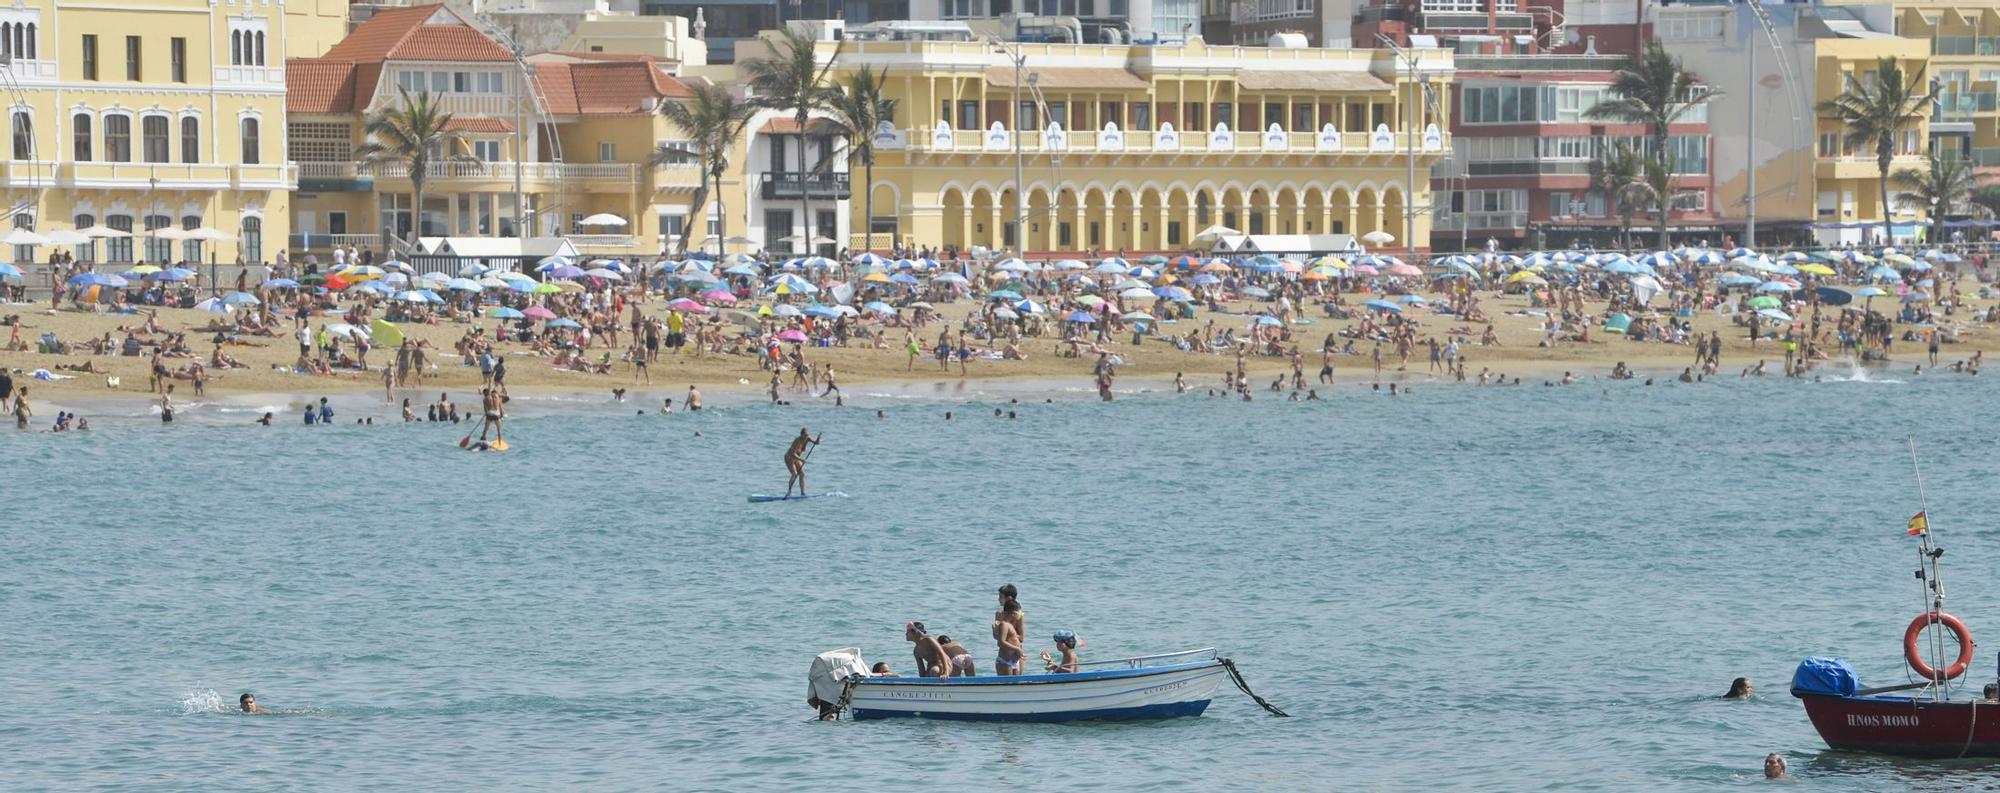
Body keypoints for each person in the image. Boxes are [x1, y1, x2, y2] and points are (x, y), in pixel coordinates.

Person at [992, 598, 1025, 676]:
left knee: (1016, 686)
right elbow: (1000, 642)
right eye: (1018, 612)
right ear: (1013, 613)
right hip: (1005, 661)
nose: (1020, 614)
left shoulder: (1010, 625)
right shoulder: (1004, 624)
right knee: (1007, 686)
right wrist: (1017, 648)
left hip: (1014, 660)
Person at [784, 427, 821, 496]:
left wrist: (818, 438)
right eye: (805, 435)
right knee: (794, 474)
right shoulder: (797, 441)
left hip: (797, 458)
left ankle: (803, 493)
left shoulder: (808, 438)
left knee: (802, 474)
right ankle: (789, 492)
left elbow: (816, 443)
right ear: (801, 435)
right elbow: (792, 453)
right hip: (789, 457)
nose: (806, 437)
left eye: (807, 435)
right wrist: (801, 460)